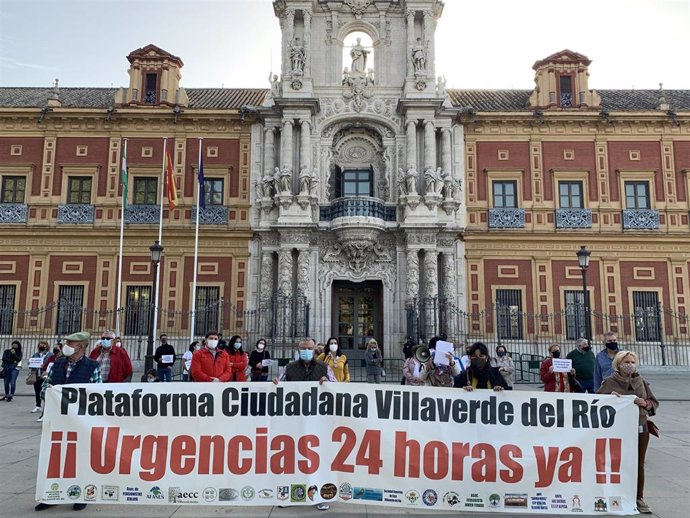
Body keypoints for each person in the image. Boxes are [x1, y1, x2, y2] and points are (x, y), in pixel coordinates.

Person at [35, 331, 100, 512]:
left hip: (80, 422)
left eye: (69, 343)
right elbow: (46, 386)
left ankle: (81, 495)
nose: (65, 346)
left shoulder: (92, 366)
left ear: (80, 347)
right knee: (54, 457)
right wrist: (50, 394)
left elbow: (96, 393)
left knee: (81, 458)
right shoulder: (58, 364)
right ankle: (51, 494)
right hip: (57, 420)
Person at [273, 337, 334, 511]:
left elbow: (337, 388)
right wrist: (276, 383)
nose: (306, 351)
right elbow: (280, 383)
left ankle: (320, 496)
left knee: (318, 459)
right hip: (295, 420)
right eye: (303, 348)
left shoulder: (324, 368)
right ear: (298, 350)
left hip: (317, 421)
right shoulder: (290, 367)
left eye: (309, 348)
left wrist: (327, 383)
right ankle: (292, 494)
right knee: (293, 458)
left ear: (315, 350)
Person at [597, 351, 658, 514]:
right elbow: (595, 402)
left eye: (632, 362)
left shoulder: (641, 381)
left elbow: (653, 402)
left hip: (640, 426)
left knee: (639, 463)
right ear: (618, 364)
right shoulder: (610, 382)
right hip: (617, 429)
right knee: (616, 462)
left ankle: (639, 497)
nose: (630, 365)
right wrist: (609, 398)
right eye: (626, 362)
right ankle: (614, 494)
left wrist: (645, 403)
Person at [29, 341, 51, 412]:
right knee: (37, 391)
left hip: (45, 375)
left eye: (44, 345)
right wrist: (30, 363)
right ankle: (38, 405)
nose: (42, 346)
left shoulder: (50, 355)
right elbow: (30, 362)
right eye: (40, 345)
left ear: (47, 346)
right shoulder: (36, 354)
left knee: (45, 391)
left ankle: (47, 406)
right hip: (37, 375)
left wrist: (44, 365)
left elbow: (52, 364)